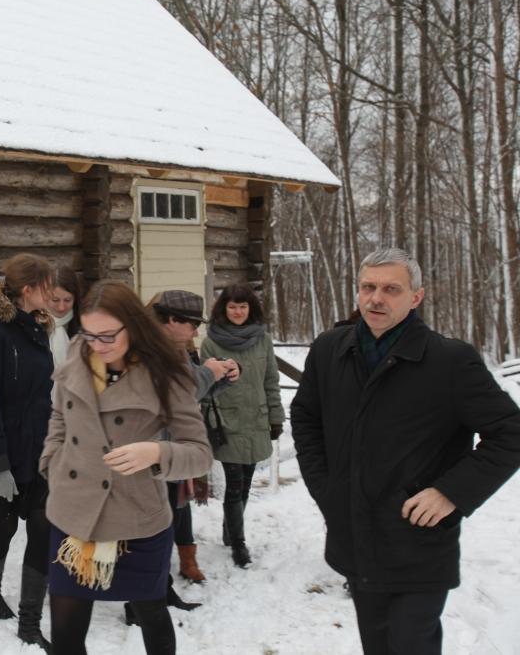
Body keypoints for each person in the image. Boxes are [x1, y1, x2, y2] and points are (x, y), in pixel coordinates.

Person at [291, 247, 520, 655]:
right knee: (377, 645)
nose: (376, 298)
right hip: (355, 538)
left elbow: (510, 432)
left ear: (416, 297)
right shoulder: (330, 349)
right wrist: (326, 488)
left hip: (417, 544)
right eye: (368, 287)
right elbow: (307, 418)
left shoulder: (450, 361)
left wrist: (451, 493)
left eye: (391, 289)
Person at [40, 280, 213, 655]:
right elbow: (59, 413)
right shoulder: (76, 351)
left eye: (107, 336)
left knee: (151, 615)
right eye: (89, 334)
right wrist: (52, 462)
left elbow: (199, 452)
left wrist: (156, 453)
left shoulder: (168, 372)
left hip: (136, 520)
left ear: (133, 326)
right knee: (65, 635)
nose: (96, 346)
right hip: (73, 517)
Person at [0, 253, 55, 650]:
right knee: (5, 525)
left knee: (42, 528)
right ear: (28, 290)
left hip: (38, 453)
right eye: (47, 286)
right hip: (1, 455)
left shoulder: (38, 329)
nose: (53, 294)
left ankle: (30, 623)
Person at [149, 290, 240, 586]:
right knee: (156, 525)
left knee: (174, 513)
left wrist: (222, 377)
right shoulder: (150, 347)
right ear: (171, 320)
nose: (196, 330)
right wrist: (208, 374)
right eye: (191, 323)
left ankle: (164, 585)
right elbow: (178, 394)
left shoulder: (175, 346)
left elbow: (190, 394)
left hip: (171, 446)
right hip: (153, 450)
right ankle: (150, 594)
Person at [200, 284, 284, 568]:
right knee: (234, 485)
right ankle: (238, 543)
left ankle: (229, 530)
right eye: (233, 306)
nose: (238, 312)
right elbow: (205, 387)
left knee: (246, 484)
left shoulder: (264, 340)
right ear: (224, 308)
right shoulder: (211, 342)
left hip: (256, 420)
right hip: (227, 422)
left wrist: (275, 417)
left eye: (243, 306)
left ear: (251, 309)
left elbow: (271, 381)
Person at [47, 265, 83, 368]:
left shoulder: (85, 325)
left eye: (67, 300)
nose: (61, 307)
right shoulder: (32, 325)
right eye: (55, 300)